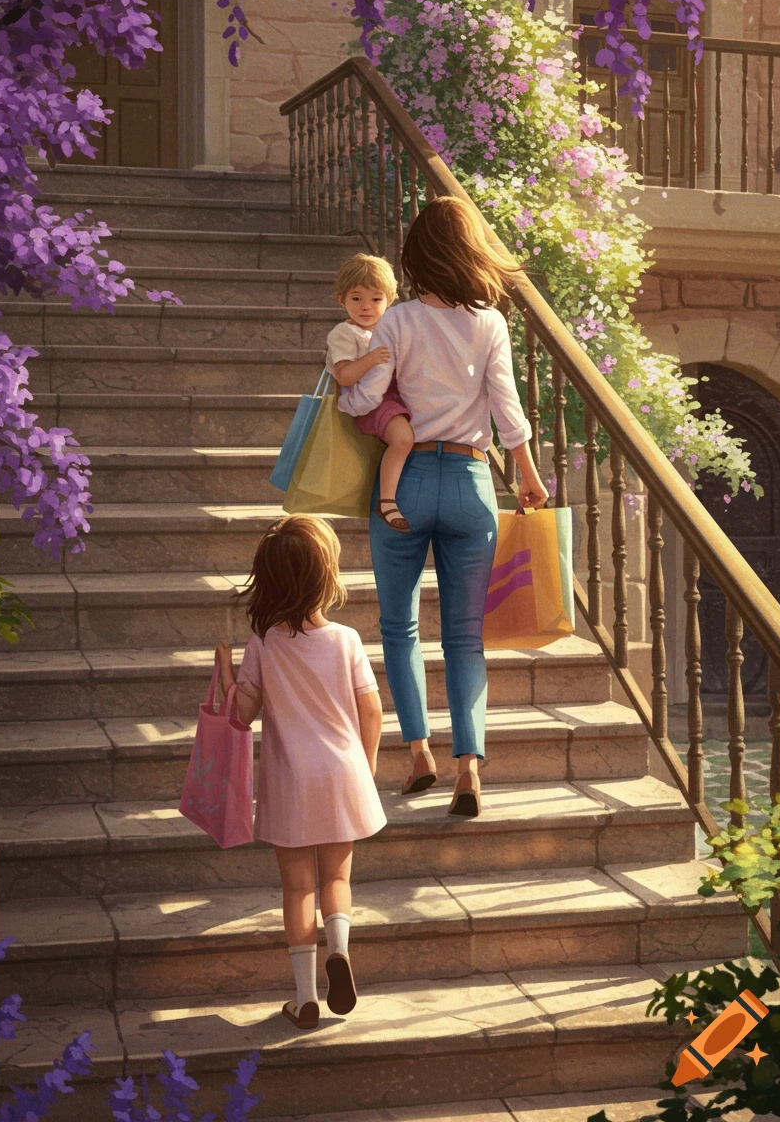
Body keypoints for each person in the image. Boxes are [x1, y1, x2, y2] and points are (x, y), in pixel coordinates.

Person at [339, 196, 548, 819]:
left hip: (402, 483)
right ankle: (469, 772)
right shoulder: (489, 323)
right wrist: (530, 477)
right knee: (464, 636)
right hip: (469, 478)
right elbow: (507, 410)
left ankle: (420, 756)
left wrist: (366, 393)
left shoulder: (394, 321)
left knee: (400, 627)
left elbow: (362, 400)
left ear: (415, 253)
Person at [214, 515, 385, 1032]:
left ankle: (306, 998)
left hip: (289, 780)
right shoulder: (347, 640)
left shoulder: (262, 645)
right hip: (342, 772)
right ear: (325, 577)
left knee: (297, 890)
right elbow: (372, 710)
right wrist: (367, 766)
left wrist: (224, 670)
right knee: (337, 876)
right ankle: (339, 950)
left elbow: (239, 716)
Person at [325, 253, 415, 532]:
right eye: (356, 298)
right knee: (402, 440)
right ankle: (386, 501)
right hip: (370, 402)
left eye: (375, 299)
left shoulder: (390, 329)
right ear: (342, 300)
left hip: (397, 397)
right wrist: (371, 359)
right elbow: (343, 375)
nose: (366, 307)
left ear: (389, 301)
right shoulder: (345, 333)